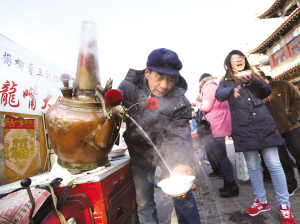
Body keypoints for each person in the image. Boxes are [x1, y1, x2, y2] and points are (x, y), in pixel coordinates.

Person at [118, 48, 201, 224]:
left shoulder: (179, 100)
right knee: (144, 202)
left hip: (168, 151)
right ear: (147, 72)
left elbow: (180, 135)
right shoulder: (128, 87)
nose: (164, 85)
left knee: (182, 196)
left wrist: (181, 164)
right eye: (160, 77)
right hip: (139, 151)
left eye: (171, 79)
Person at [215, 50, 296, 224]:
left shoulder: (254, 76)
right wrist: (231, 90)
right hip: (243, 128)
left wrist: (251, 81)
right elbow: (218, 95)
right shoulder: (225, 81)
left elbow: (266, 91)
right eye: (234, 59)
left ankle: (284, 206)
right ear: (229, 63)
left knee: (274, 164)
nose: (239, 60)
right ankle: (261, 200)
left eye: (241, 57)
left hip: (263, 124)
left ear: (245, 60)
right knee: (252, 166)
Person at [193, 73, 238, 198]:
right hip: (221, 123)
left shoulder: (208, 87)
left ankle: (232, 185)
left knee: (221, 156)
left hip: (215, 125)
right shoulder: (217, 86)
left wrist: (197, 104)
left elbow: (206, 106)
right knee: (220, 155)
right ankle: (228, 183)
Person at [259, 70, 300, 196]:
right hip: (272, 131)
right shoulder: (257, 93)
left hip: (291, 127)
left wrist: (291, 117)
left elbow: (297, 100)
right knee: (282, 160)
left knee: (299, 153)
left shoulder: (282, 84)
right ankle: (290, 185)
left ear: (263, 77)